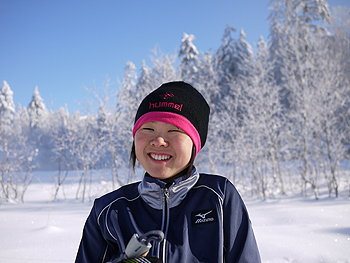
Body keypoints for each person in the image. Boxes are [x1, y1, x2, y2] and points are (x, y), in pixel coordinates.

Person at [75, 81, 261, 263]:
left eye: (174, 130)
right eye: (148, 128)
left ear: (195, 144)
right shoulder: (108, 210)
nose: (159, 141)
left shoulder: (219, 196)